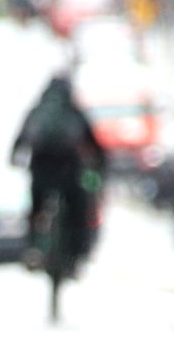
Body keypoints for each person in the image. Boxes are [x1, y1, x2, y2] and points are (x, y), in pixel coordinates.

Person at [10, 73, 104, 280]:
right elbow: (95, 145)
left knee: (36, 208)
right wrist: (100, 165)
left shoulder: (38, 110)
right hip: (69, 170)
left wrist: (15, 158)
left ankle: (33, 246)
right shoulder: (74, 111)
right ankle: (77, 256)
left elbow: (20, 139)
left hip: (41, 168)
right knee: (78, 211)